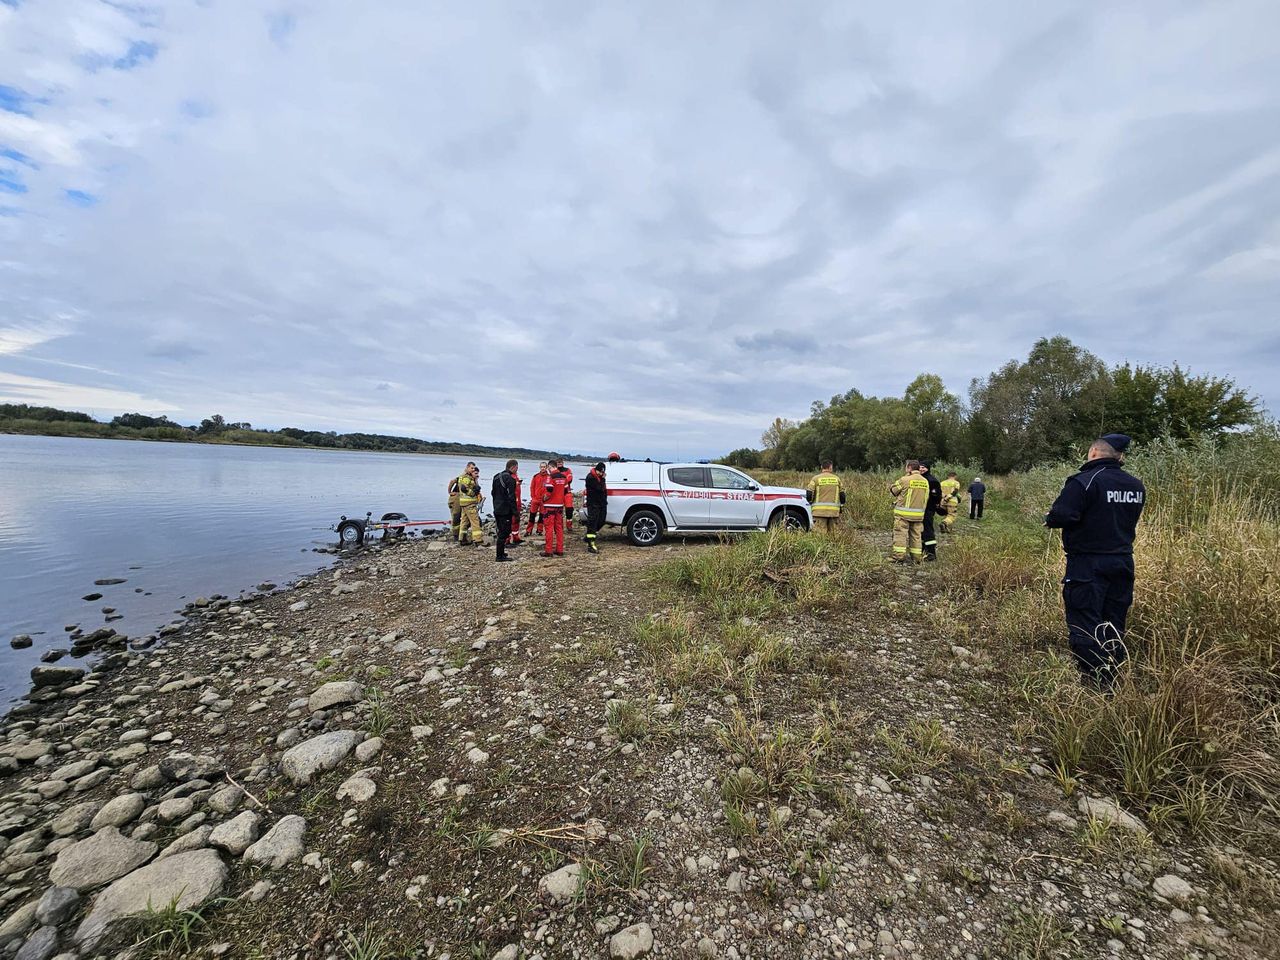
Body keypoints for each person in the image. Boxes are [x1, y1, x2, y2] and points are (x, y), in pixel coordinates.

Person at [1045, 434, 1146, 689]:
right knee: (1114, 620)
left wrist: (1050, 517)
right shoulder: (1136, 485)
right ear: (1120, 456)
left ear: (1093, 453)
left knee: (1085, 620)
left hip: (1088, 563)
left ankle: (1096, 680)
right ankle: (1113, 674)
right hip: (1123, 561)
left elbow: (1061, 515)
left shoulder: (1084, 481)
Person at [889, 460, 930, 563]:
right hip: (919, 515)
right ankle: (916, 558)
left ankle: (898, 557)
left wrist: (904, 477)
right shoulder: (925, 481)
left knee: (900, 534)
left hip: (903, 515)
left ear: (909, 468)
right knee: (916, 536)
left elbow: (893, 490)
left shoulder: (905, 479)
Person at [805, 461, 845, 534]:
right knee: (834, 535)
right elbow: (842, 496)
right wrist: (841, 506)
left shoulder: (815, 479)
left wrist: (810, 503)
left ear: (821, 467)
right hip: (834, 513)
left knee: (820, 536)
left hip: (818, 512)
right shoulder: (837, 479)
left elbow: (809, 494)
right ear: (830, 467)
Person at [491, 460, 519, 562]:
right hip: (505, 510)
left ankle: (501, 552)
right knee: (504, 532)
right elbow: (512, 497)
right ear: (513, 467)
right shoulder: (510, 479)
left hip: (497, 507)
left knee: (501, 530)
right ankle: (499, 556)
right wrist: (515, 512)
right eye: (517, 468)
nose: (517, 470)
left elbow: (493, 493)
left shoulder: (496, 476)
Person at [540, 462, 569, 556]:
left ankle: (548, 551)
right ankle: (559, 550)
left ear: (550, 467)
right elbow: (566, 491)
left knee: (549, 528)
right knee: (559, 528)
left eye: (548, 467)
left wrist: (544, 498)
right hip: (559, 505)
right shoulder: (564, 477)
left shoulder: (550, 476)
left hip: (550, 505)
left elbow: (549, 490)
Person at [919, 459, 942, 560]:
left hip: (928, 509)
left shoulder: (932, 480)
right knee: (921, 530)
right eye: (920, 467)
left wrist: (934, 506)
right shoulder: (919, 479)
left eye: (923, 467)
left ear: (928, 468)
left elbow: (937, 496)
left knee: (928, 529)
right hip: (920, 509)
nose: (921, 469)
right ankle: (923, 549)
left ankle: (931, 552)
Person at [456, 463, 484, 545]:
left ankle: (462, 539)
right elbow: (464, 489)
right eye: (472, 468)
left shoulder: (463, 477)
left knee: (464, 521)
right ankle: (478, 540)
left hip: (464, 503)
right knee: (475, 521)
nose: (473, 470)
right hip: (469, 503)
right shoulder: (466, 478)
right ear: (467, 467)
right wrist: (474, 492)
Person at [584, 461, 608, 554]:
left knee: (602, 520)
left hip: (601, 503)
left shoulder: (600, 477)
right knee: (592, 522)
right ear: (597, 470)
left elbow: (604, 490)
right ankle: (591, 544)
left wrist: (605, 500)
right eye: (600, 472)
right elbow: (599, 488)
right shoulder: (590, 477)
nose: (601, 474)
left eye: (602, 472)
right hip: (593, 503)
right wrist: (603, 479)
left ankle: (589, 535)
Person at [525, 462, 548, 539]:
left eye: (544, 467)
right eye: (541, 467)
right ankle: (529, 530)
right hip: (535, 499)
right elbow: (532, 487)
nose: (543, 468)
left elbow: (550, 489)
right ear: (539, 467)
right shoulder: (535, 476)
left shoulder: (549, 477)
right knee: (532, 515)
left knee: (542, 516)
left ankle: (539, 530)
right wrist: (533, 497)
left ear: (546, 467)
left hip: (543, 500)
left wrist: (546, 497)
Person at [559, 458, 575, 535]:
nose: (559, 464)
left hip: (567, 493)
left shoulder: (568, 470)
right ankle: (560, 526)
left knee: (569, 509)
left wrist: (561, 481)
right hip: (558, 493)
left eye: (560, 462)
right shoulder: (554, 471)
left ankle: (569, 525)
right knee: (559, 510)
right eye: (558, 462)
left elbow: (570, 479)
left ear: (563, 463)